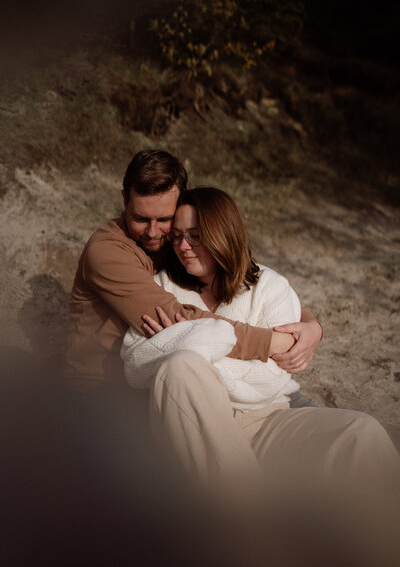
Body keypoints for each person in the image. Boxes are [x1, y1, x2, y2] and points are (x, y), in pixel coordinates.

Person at [121, 187, 400, 495]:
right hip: (193, 424)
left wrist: (190, 343)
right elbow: (135, 364)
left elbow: (271, 379)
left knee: (361, 432)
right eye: (177, 236)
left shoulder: (270, 287)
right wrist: (208, 351)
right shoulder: (162, 287)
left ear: (223, 233)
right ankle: (252, 521)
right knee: (181, 368)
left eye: (196, 235)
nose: (183, 246)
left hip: (268, 420)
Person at [66, 150, 322, 394]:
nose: (153, 232)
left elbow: (249, 279)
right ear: (124, 200)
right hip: (101, 391)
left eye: (164, 219)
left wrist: (311, 326)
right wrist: (274, 343)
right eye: (141, 219)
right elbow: (180, 319)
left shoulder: (177, 241)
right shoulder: (108, 252)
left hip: (157, 386)